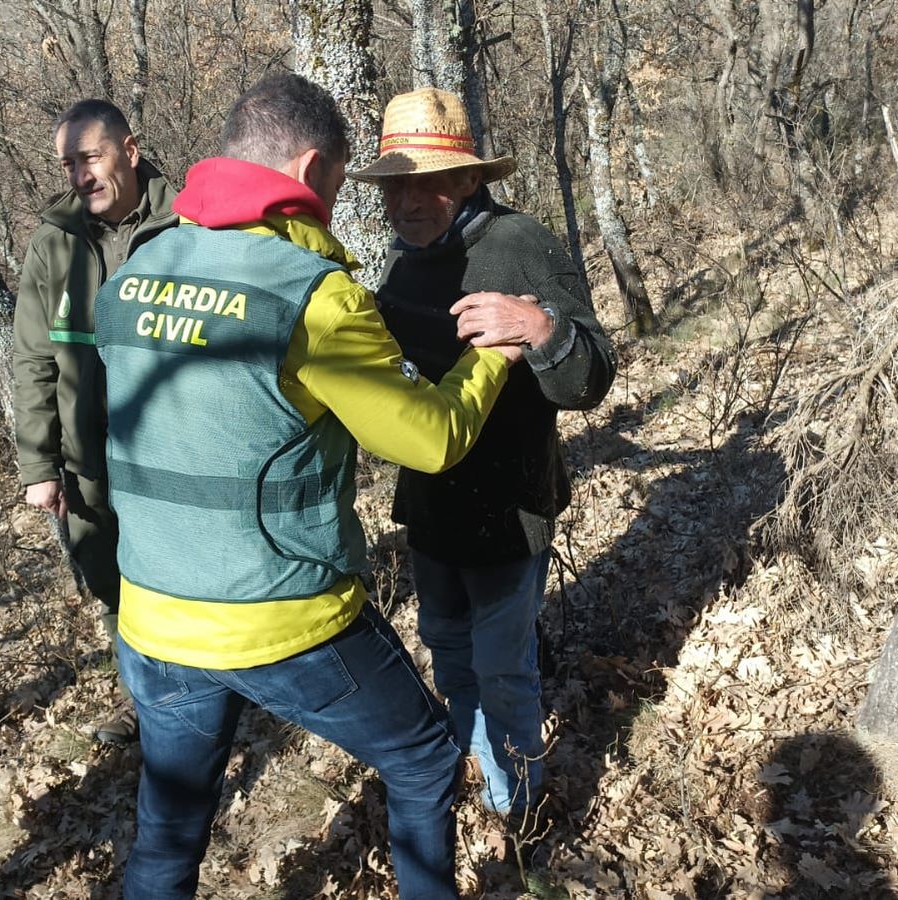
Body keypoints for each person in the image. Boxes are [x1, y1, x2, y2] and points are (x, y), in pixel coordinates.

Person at [92, 71, 528, 900]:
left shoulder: (135, 277)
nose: (332, 206)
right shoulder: (309, 296)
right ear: (308, 168)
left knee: (169, 830)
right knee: (426, 759)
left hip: (150, 614)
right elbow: (429, 440)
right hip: (281, 616)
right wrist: (490, 360)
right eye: (332, 186)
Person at [348, 87, 615, 818]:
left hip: (509, 511)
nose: (406, 200)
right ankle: (479, 763)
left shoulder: (520, 242)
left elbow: (592, 374)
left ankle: (518, 805)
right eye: (394, 185)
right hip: (432, 510)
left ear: (470, 180)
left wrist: (539, 325)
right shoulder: (399, 269)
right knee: (446, 646)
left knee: (504, 667)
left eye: (426, 181)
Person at [11, 99, 178, 744]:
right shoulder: (53, 245)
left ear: (129, 152)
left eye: (91, 157)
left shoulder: (185, 223)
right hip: (89, 460)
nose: (80, 175)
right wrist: (38, 463)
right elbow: (33, 360)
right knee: (110, 587)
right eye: (68, 164)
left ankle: (206, 695)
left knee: (178, 577)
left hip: (171, 449)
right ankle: (147, 706)